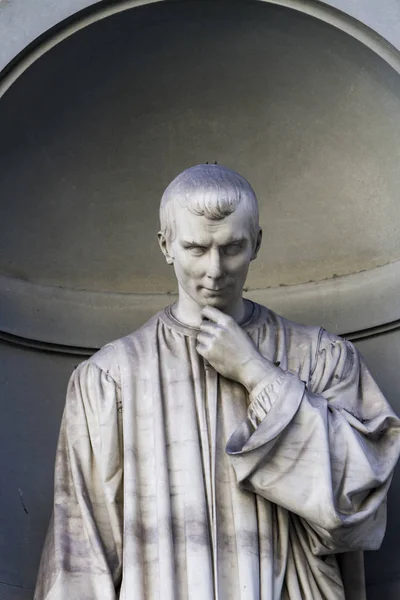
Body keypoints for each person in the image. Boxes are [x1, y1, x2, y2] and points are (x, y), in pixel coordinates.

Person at [35, 164, 400, 600]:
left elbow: (355, 503)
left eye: (232, 248)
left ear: (257, 243)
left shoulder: (321, 358)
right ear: (165, 245)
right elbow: (81, 554)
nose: (214, 270)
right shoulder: (109, 379)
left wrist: (257, 373)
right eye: (195, 247)